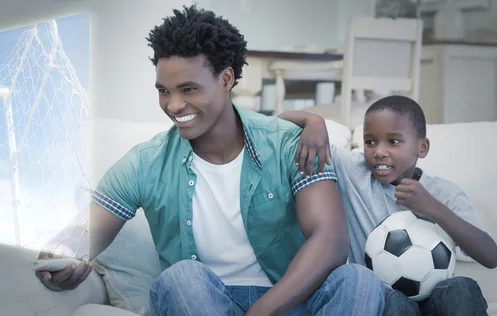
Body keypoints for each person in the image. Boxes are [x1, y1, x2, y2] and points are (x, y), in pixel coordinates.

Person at [36, 5, 386, 316]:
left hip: (289, 301)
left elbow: (331, 239)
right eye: (164, 91)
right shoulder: (145, 163)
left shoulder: (287, 143)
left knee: (359, 281)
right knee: (181, 279)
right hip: (199, 302)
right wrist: (64, 254)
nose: (173, 105)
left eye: (188, 89)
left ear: (226, 78)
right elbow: (79, 235)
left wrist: (262, 311)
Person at [279, 95, 497, 316]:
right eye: (370, 141)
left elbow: (491, 256)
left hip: (438, 302)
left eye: (393, 141)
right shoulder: (353, 172)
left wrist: (432, 207)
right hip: (385, 301)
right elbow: (279, 125)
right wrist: (314, 121)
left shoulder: (445, 193)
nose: (379, 151)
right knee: (394, 301)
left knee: (462, 287)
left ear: (421, 148)